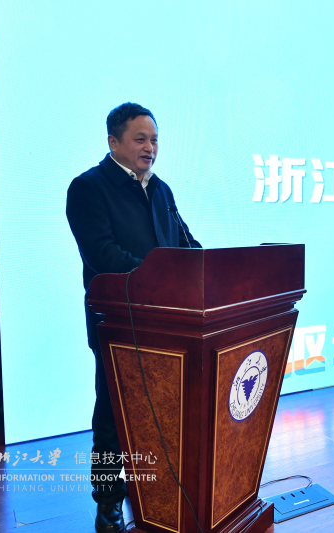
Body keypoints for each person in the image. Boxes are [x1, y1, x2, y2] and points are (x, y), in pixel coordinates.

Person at [66, 103, 200, 533]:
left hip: (168, 322)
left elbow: (185, 244)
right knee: (112, 414)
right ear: (114, 141)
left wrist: (208, 269)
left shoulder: (160, 189)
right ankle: (108, 503)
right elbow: (101, 254)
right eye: (140, 139)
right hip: (117, 322)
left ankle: (161, 493)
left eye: (155, 140)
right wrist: (159, 278)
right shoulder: (88, 187)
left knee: (163, 412)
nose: (150, 148)